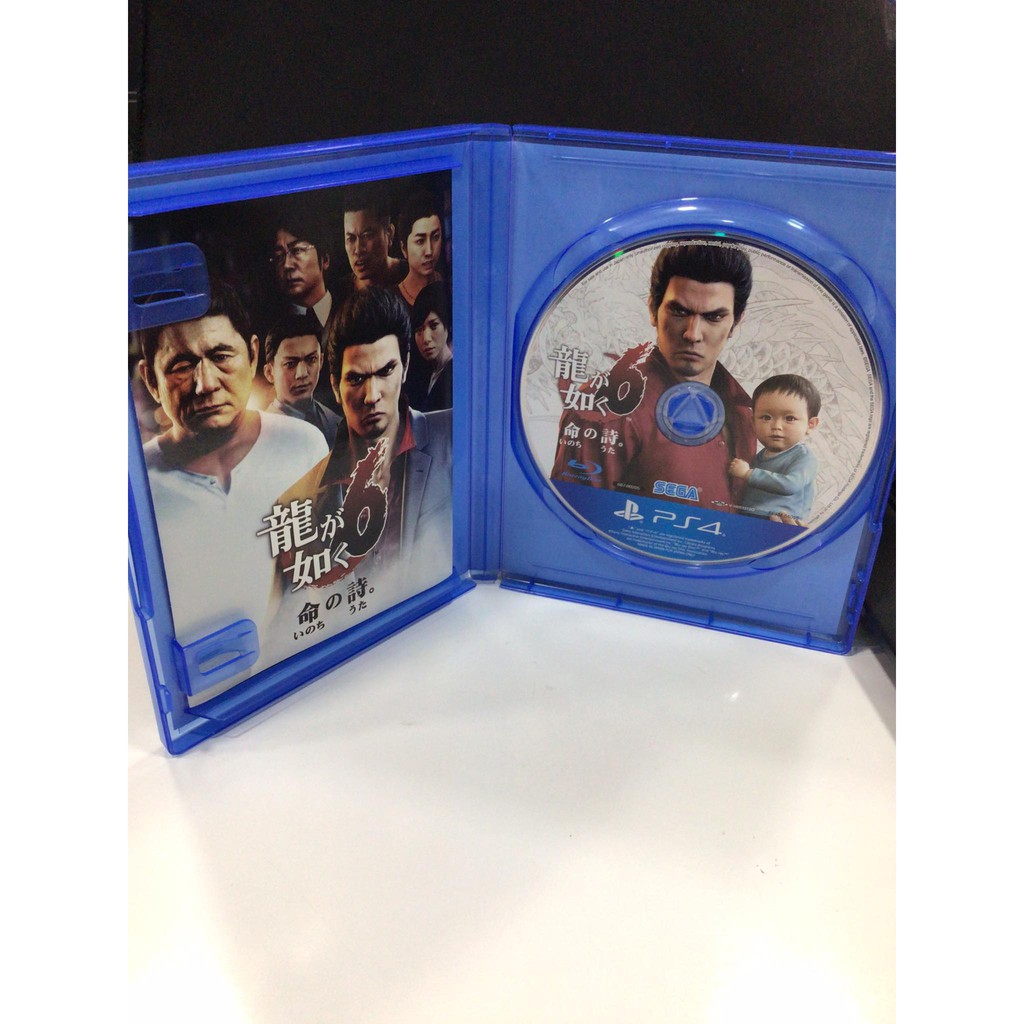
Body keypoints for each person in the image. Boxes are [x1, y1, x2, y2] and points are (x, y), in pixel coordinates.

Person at [137, 280, 328, 690]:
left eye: (221, 356)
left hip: (303, 674)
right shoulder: (136, 488)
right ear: (150, 379)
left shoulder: (304, 446)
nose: (205, 383)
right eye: (181, 365)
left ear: (253, 354)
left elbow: (321, 578)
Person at [271, 286, 452, 624]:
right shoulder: (299, 500)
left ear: (405, 367)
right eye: (356, 379)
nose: (372, 395)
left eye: (385, 371)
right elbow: (287, 620)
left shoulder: (454, 438)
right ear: (335, 385)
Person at [550, 242, 757, 512]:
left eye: (714, 317)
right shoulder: (604, 407)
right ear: (652, 310)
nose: (693, 334)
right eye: (679, 312)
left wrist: (774, 528)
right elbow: (570, 523)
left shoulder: (747, 413)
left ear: (736, 323)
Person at [729, 373, 820, 522]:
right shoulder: (759, 456)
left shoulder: (804, 457)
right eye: (766, 417)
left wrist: (748, 473)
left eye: (790, 418)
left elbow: (790, 485)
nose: (776, 426)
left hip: (782, 521)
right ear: (753, 422)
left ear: (810, 425)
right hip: (748, 517)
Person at [263, 314, 342, 447]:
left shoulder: (335, 422)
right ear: (269, 372)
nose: (302, 374)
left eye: (311, 359)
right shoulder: (262, 436)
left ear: (321, 361)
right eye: (290, 364)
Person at [338, 185, 406, 300]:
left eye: (366, 236)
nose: (358, 250)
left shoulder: (415, 276)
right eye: (351, 238)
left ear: (389, 234)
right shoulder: (338, 295)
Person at [394, 190, 445, 310]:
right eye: (420, 241)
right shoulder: (393, 302)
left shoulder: (450, 286)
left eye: (435, 237)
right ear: (404, 248)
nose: (429, 251)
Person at [406, 282, 452, 411]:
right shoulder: (421, 377)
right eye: (419, 330)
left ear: (448, 326)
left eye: (434, 326)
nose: (426, 339)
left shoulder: (456, 374)